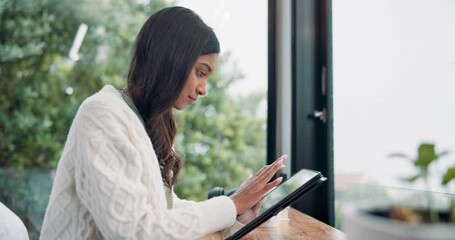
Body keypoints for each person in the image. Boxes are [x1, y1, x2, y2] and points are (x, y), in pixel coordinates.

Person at [40, 6, 286, 240]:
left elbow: (166, 211)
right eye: (201, 72)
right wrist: (231, 204)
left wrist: (235, 218)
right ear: (171, 61)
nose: (204, 90)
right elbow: (135, 231)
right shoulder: (101, 114)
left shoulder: (142, 120)